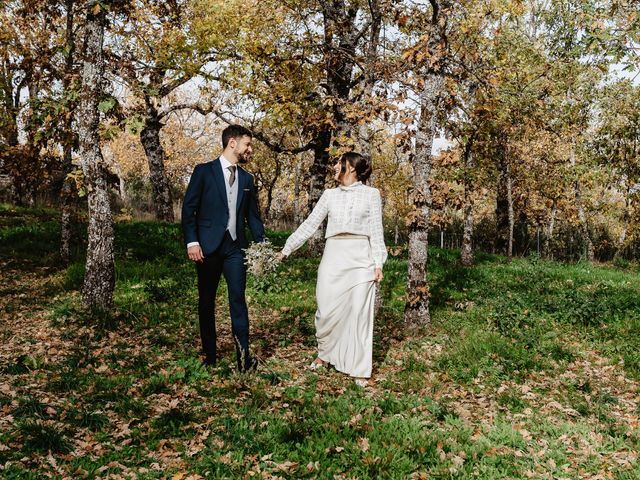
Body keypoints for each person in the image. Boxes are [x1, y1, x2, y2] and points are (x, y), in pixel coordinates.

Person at [278, 152, 387, 387]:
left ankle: (359, 367)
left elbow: (377, 231)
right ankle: (325, 354)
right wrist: (287, 249)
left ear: (352, 168)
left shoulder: (371, 195)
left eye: (340, 163)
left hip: (360, 257)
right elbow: (310, 224)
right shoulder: (329, 195)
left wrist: (378, 263)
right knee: (326, 310)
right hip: (334, 255)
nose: (335, 166)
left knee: (358, 312)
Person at [181, 125, 265, 372]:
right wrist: (192, 241)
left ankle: (243, 358)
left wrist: (261, 247)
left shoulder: (248, 179)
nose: (250, 149)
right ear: (232, 143)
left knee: (238, 299)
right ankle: (210, 356)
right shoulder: (203, 171)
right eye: (247, 144)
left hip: (236, 248)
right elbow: (189, 209)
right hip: (206, 247)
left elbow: (254, 217)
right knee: (206, 302)